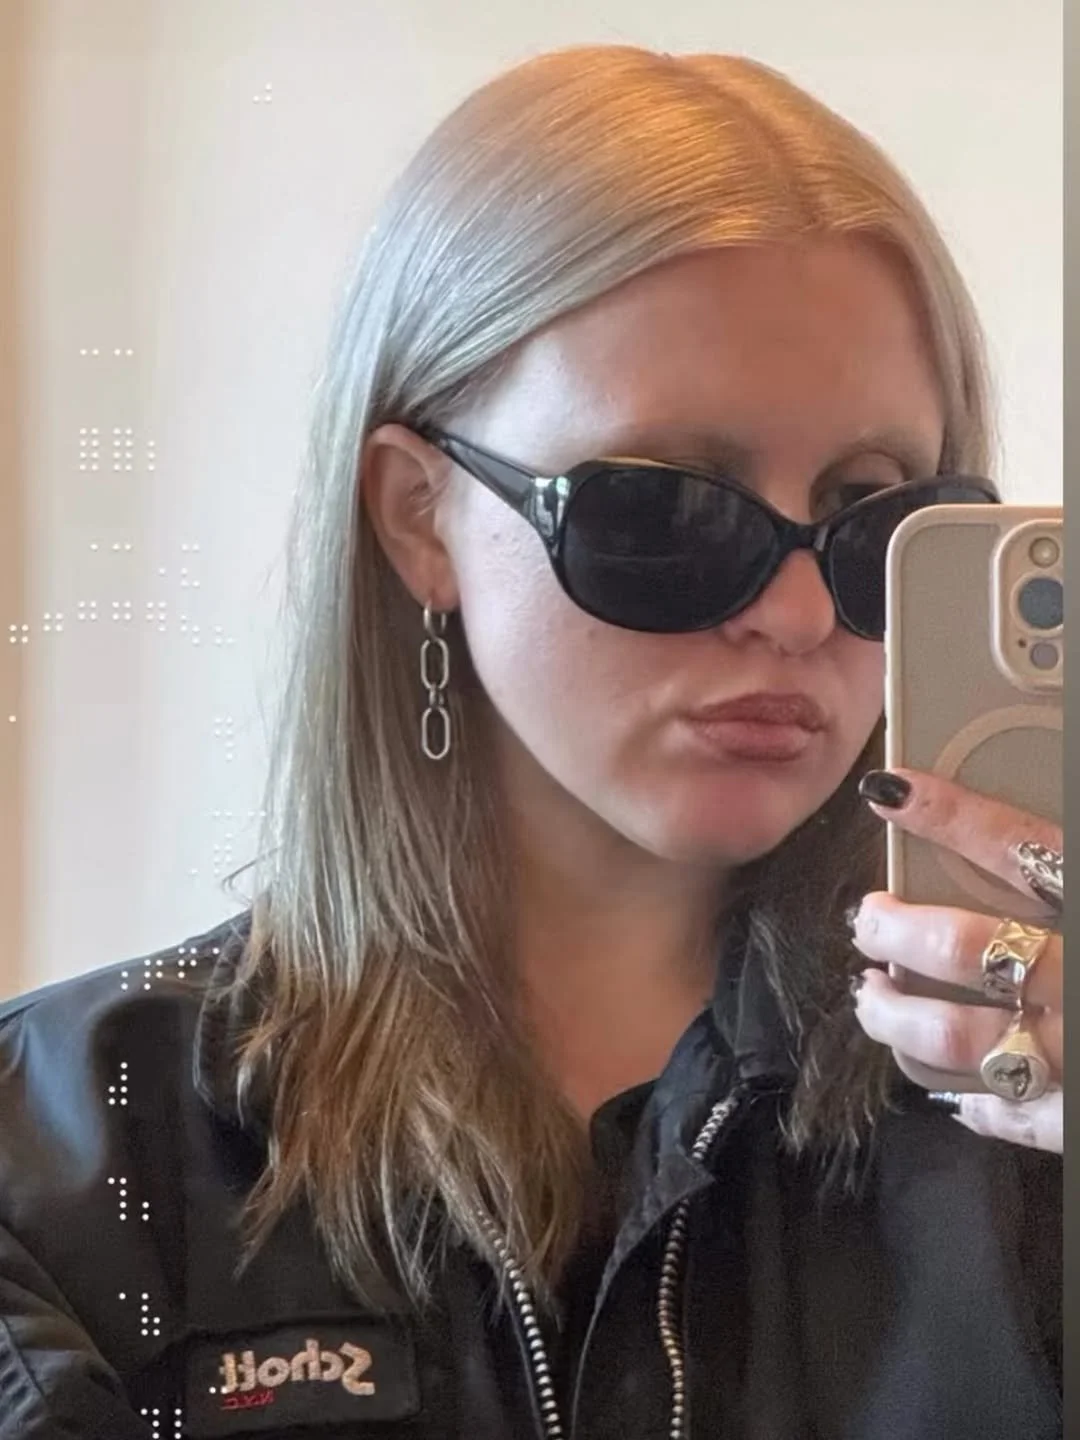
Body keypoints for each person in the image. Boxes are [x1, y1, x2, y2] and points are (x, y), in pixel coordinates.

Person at [0, 44, 1062, 1440]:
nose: (798, 612)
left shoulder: (1021, 1119)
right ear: (419, 517)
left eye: (872, 517)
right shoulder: (77, 1154)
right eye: (667, 509)